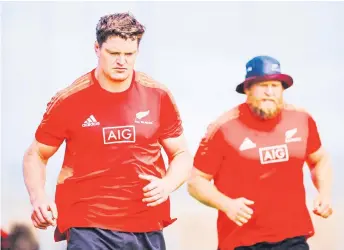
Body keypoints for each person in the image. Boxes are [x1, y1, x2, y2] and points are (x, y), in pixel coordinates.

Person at [23, 12, 192, 250]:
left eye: (129, 54)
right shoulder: (69, 99)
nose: (121, 61)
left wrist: (167, 184)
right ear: (96, 48)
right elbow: (36, 155)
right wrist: (38, 199)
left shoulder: (158, 96)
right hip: (87, 223)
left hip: (146, 223)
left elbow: (181, 155)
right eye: (113, 53)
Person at [188, 55, 333, 250]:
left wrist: (324, 193)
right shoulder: (223, 128)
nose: (269, 92)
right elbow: (196, 181)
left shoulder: (301, 120)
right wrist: (226, 204)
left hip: (293, 237)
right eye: (262, 85)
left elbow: (319, 160)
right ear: (247, 89)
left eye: (275, 86)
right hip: (241, 241)